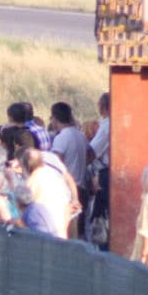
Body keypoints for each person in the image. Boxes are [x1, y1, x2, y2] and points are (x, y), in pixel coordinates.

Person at [48, 101, 90, 238]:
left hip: (68, 190)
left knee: (67, 231)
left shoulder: (61, 138)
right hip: (82, 186)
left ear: (55, 118)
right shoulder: (81, 135)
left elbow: (55, 164)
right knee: (81, 231)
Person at [18, 147, 72, 239]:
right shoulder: (54, 176)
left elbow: (24, 210)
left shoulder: (31, 182)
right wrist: (63, 229)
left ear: (25, 165)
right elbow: (67, 206)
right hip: (60, 228)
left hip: (42, 231)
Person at [86, 92, 111, 250]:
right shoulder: (107, 124)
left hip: (105, 173)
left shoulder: (107, 125)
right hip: (106, 172)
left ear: (102, 107)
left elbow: (92, 152)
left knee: (100, 217)